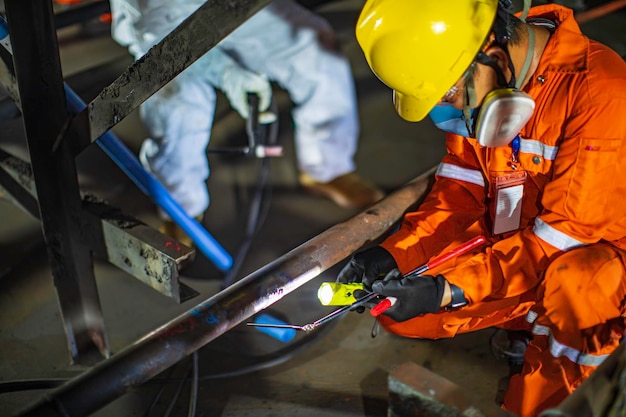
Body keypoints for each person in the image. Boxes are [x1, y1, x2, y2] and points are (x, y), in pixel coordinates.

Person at [337, 0, 626, 416]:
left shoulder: (600, 91)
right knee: (402, 309)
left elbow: (563, 239)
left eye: (449, 93)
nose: (447, 111)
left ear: (492, 49)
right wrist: (394, 255)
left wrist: (451, 291)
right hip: (526, 241)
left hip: (598, 253)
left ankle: (571, 390)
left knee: (577, 283)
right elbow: (460, 191)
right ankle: (528, 322)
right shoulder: (493, 87)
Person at [108, 0, 384, 245]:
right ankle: (181, 209)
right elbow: (159, 34)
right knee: (178, 102)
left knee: (313, 48)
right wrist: (226, 73)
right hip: (161, 11)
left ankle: (326, 166)